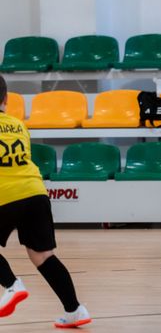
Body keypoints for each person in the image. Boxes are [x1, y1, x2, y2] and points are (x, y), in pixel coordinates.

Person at [0, 75, 91, 328]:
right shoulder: (18, 125)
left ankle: (12, 285)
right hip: (35, 193)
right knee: (42, 255)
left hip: (5, 194)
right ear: (6, 99)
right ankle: (75, 310)